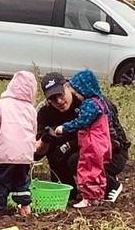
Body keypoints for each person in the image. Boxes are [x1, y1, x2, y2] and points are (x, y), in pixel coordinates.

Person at [36, 72, 129, 203]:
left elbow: (112, 141)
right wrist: (46, 139)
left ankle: (109, 184)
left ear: (68, 86)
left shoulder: (92, 103)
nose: (59, 101)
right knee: (55, 149)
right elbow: (36, 155)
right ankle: (68, 193)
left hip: (111, 150)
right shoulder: (44, 111)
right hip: (83, 146)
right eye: (52, 99)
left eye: (60, 95)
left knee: (77, 160)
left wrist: (70, 145)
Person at [45, 69, 111, 209]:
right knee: (97, 170)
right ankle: (97, 196)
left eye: (76, 93)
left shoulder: (89, 104)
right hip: (101, 143)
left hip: (92, 143)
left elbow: (81, 122)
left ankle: (88, 197)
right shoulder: (101, 103)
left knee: (87, 169)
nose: (77, 96)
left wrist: (64, 128)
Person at [0, 71, 37, 218]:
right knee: (22, 181)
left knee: (1, 180)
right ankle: (25, 206)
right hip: (25, 155)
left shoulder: (2, 104)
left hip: (5, 152)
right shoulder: (31, 109)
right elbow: (34, 129)